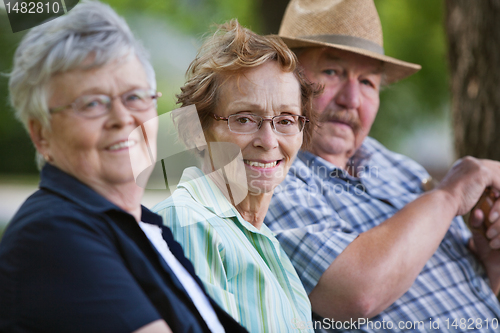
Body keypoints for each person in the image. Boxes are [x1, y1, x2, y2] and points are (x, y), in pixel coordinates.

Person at [0, 2, 248, 332]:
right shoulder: (51, 234)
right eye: (92, 103)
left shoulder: (146, 228)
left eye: (134, 97)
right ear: (41, 134)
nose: (122, 119)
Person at [265, 0, 500, 331]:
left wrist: (491, 262)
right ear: (283, 80)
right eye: (332, 72)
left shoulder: (397, 166)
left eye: (368, 82)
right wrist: (448, 196)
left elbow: (450, 297)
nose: (352, 99)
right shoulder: (268, 172)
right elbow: (356, 294)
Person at [153, 20, 317, 332]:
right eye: (243, 118)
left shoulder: (262, 239)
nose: (268, 141)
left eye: (285, 120)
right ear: (194, 132)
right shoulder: (188, 225)